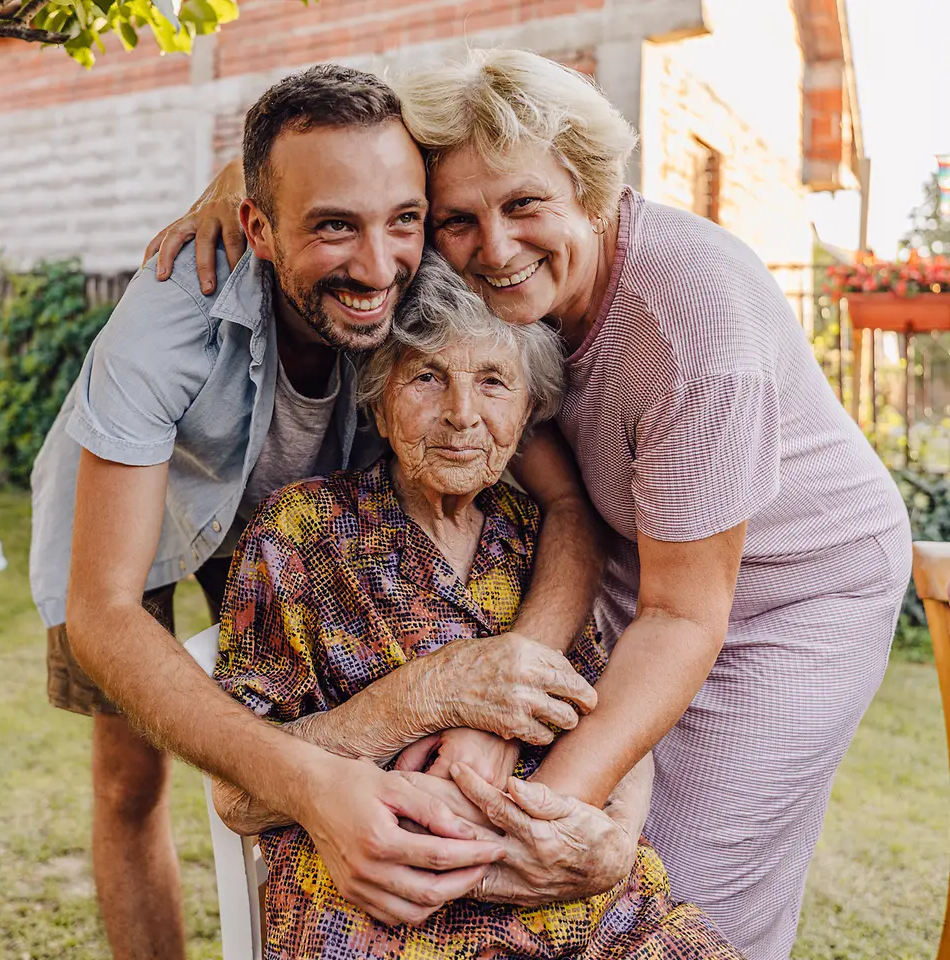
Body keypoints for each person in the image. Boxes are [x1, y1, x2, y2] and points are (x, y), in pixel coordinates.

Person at [147, 50, 913, 960]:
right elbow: (333, 139)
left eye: (524, 207)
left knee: (675, 876)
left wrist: (540, 812)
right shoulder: (490, 288)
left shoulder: (696, 330)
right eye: (460, 220)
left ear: (589, 191)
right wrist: (233, 190)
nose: (496, 249)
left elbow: (680, 615)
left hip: (791, 592)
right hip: (648, 551)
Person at [30, 64, 608, 959]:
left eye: (402, 220)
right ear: (258, 226)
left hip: (282, 518)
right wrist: (310, 781)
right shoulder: (165, 321)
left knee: (316, 717)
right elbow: (101, 611)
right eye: (334, 225)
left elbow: (566, 500)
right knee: (127, 782)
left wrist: (501, 685)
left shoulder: (410, 283)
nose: (377, 266)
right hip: (135, 508)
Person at [210, 251, 743, 960]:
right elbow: (239, 794)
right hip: (386, 909)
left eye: (493, 382)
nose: (463, 415)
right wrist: (423, 699)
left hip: (577, 907)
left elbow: (610, 715)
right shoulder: (299, 535)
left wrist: (614, 840)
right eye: (428, 377)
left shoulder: (535, 546)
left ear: (527, 415)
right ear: (378, 396)